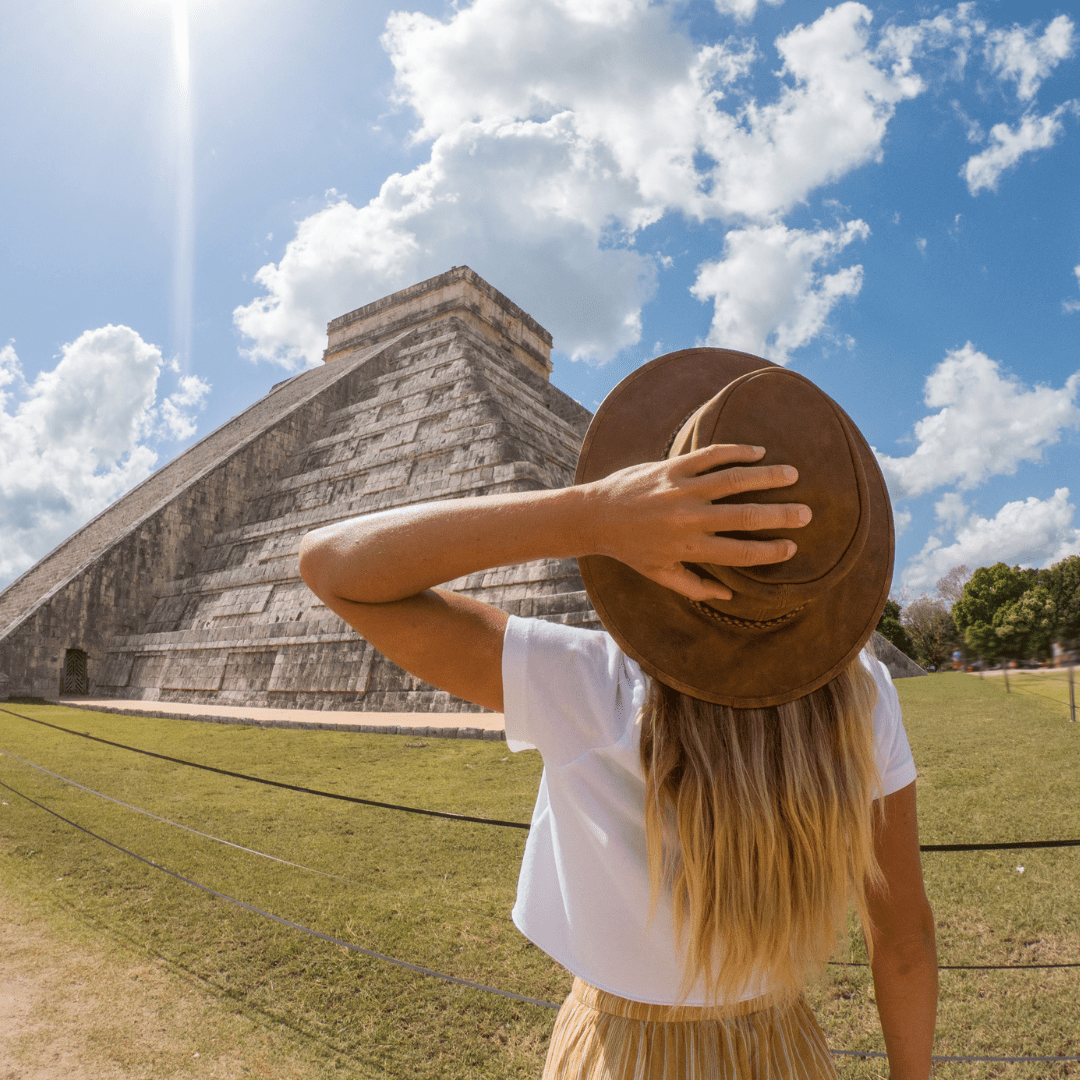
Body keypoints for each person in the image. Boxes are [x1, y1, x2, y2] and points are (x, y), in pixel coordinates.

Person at [299, 348, 937, 1080]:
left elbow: (333, 565)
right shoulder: (862, 694)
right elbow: (905, 940)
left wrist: (595, 514)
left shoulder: (587, 682)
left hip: (621, 1054)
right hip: (782, 1048)